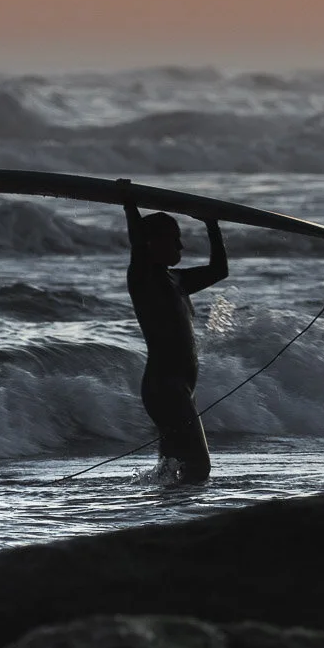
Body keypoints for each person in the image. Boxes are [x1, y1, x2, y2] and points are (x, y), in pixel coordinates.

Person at [118, 179, 228, 484]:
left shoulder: (177, 281)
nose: (180, 246)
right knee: (198, 468)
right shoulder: (144, 278)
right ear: (154, 242)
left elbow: (220, 270)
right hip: (163, 388)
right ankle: (175, 518)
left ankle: (166, 515)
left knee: (172, 470)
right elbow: (138, 242)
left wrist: (212, 225)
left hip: (180, 389)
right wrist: (129, 203)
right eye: (173, 239)